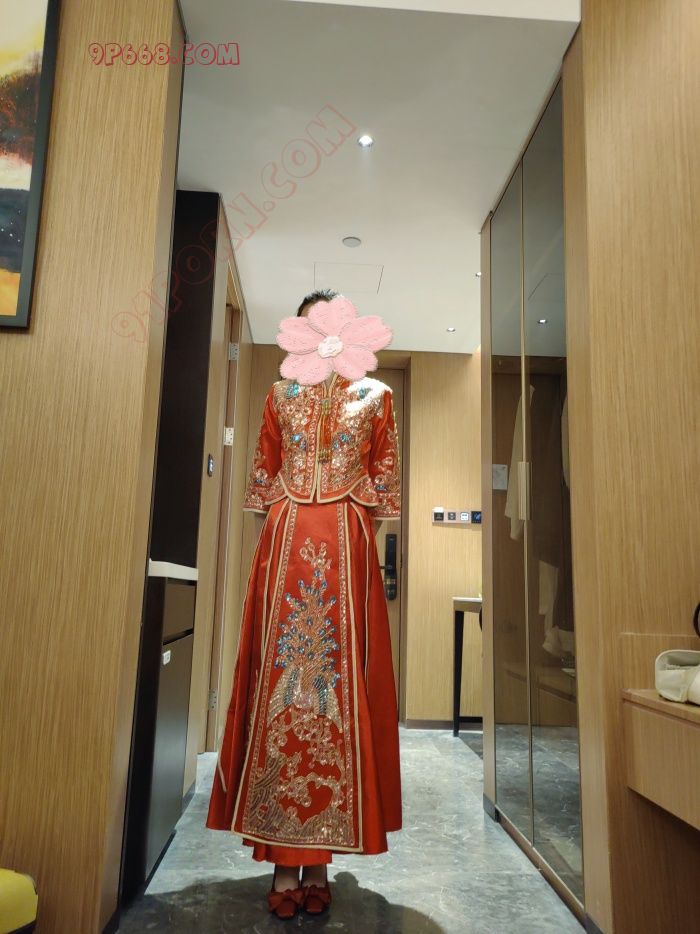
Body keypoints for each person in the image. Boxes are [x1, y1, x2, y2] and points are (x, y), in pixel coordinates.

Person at [206, 289, 402, 919]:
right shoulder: (279, 394)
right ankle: (284, 864)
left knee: (338, 689)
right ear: (302, 329)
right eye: (315, 322)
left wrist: (359, 541)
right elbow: (263, 474)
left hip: (346, 545)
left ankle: (318, 865)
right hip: (287, 538)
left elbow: (383, 484)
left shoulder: (377, 396)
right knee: (282, 685)